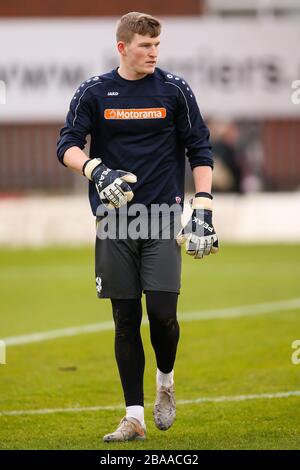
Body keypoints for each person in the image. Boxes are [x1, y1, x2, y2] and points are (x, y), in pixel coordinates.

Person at [57, 11, 218, 442]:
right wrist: (94, 169)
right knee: (125, 321)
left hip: (162, 217)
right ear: (123, 47)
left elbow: (199, 149)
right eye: (146, 45)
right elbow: (67, 145)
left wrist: (203, 204)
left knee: (163, 317)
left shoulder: (175, 89)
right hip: (113, 221)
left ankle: (166, 382)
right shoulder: (93, 92)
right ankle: (134, 418)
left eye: (158, 45)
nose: (154, 53)